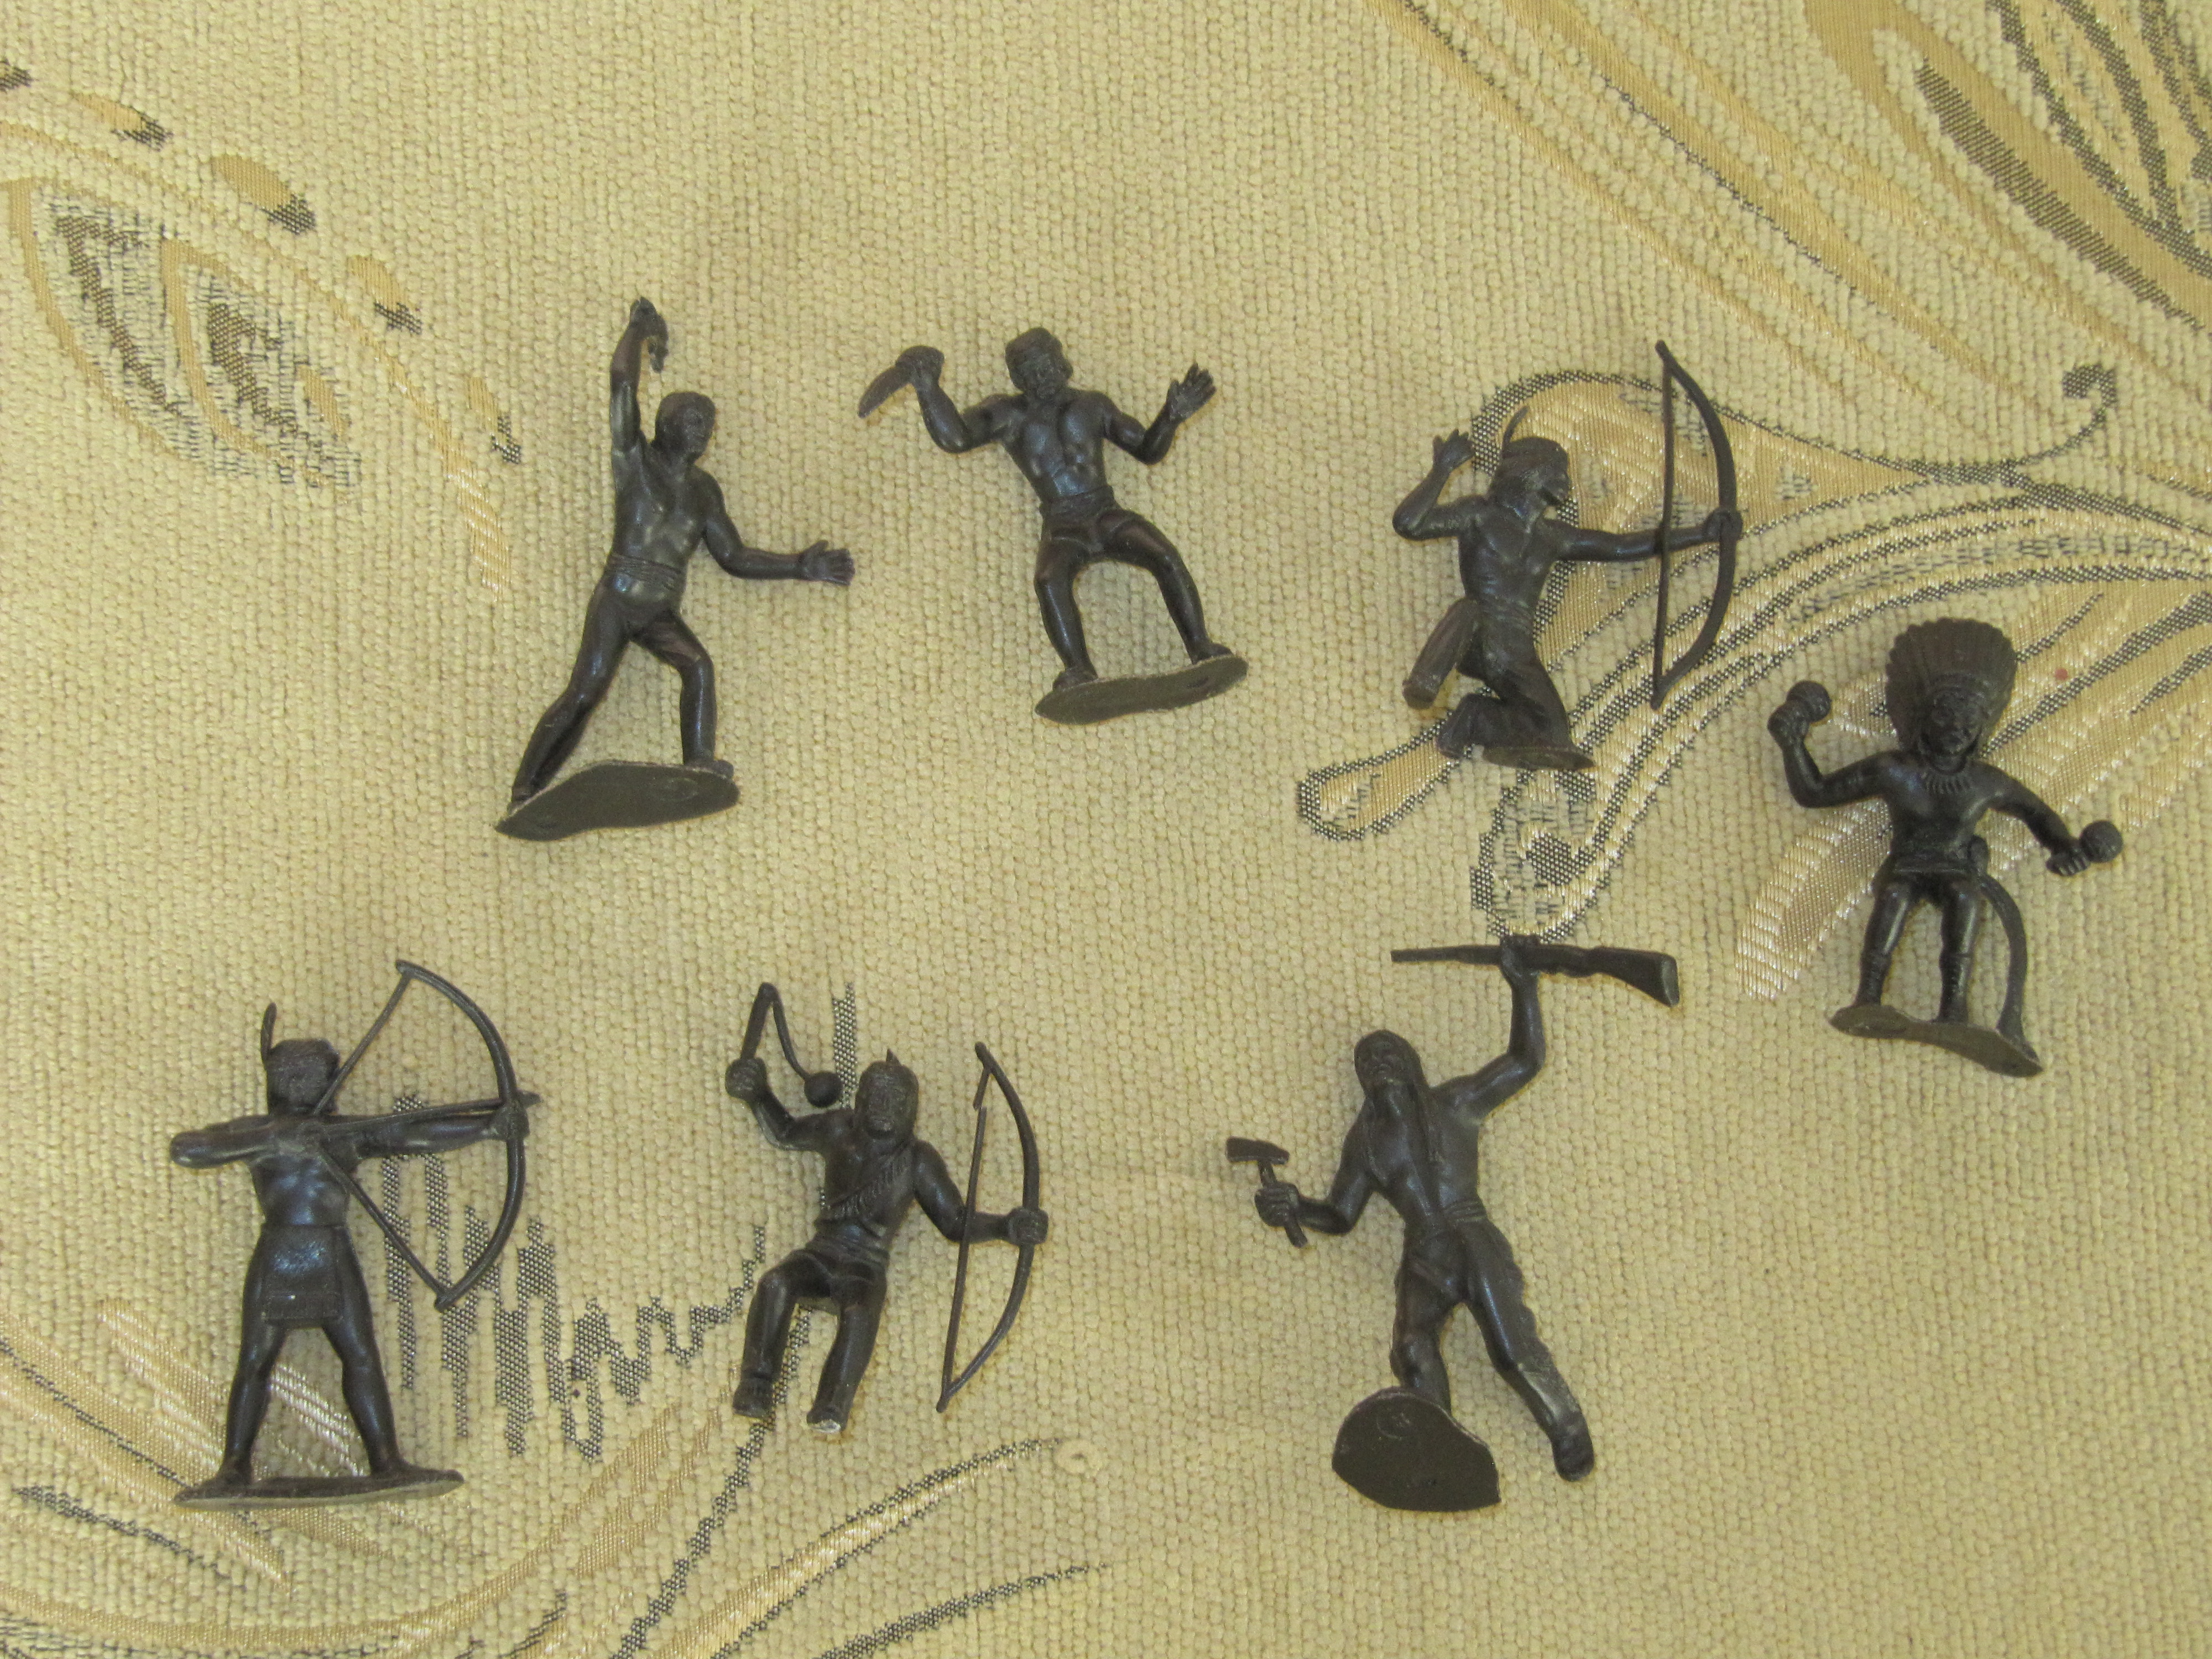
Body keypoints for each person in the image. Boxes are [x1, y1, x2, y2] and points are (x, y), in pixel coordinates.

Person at [1253, 939, 1593, 1480]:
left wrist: (1523, 986)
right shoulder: (1366, 1144)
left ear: (1411, 1063)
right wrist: (1295, 1205)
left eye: (1388, 1053)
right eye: (1367, 1060)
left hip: (1471, 1234)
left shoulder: (1454, 1104)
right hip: (1423, 1251)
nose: (1378, 1063)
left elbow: (1523, 1061)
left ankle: (1567, 1428)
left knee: (1510, 1349)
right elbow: (1340, 1216)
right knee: (1411, 1349)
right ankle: (1439, 1445)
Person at [510, 298, 852, 807]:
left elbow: (733, 556)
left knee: (698, 667)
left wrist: (800, 565)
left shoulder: (704, 491)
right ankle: (526, 788)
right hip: (619, 598)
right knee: (585, 692)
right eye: (692, 421)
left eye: (707, 424)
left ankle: (698, 762)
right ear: (664, 425)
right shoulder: (635, 461)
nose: (702, 431)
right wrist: (638, 332)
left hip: (660, 610)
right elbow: (621, 385)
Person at [169, 1018, 526, 1497]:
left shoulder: (341, 1133)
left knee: (360, 1356)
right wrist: (274, 1139)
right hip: (279, 1252)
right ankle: (232, 1469)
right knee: (255, 1360)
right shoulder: (256, 1131)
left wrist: (488, 1126)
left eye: (312, 1076)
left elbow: (410, 1134)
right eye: (291, 1076)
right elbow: (188, 1149)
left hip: (331, 1253)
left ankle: (387, 1462)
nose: (301, 1085)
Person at [1768, 618, 2106, 1059]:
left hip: (1957, 865)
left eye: (1969, 719)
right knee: (1894, 896)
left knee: (1965, 898)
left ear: (1982, 727)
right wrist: (1792, 745)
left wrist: (2065, 847)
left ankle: (1954, 1009)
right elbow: (1816, 792)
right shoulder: (1895, 770)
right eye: (1945, 714)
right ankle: (1868, 996)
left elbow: (2037, 813)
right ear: (1923, 719)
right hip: (1907, 864)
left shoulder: (1985, 782)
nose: (1956, 728)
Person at [872, 328, 1233, 692]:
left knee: (1165, 556)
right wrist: (928, 388)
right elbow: (957, 438)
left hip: (1107, 513)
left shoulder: (1093, 405)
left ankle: (1201, 647)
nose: (1040, 377)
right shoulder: (1007, 413)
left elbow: (1147, 450)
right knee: (1049, 580)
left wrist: (1171, 416)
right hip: (1063, 526)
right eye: (1028, 371)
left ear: (1063, 363)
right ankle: (1078, 671)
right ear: (1016, 378)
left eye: (1046, 366)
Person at [725, 1051, 1047, 1433]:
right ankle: (757, 1384)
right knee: (777, 1282)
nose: (885, 1107)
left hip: (865, 1266)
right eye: (876, 1097)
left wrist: (1007, 1227)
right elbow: (786, 1132)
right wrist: (758, 1094)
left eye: (896, 1100)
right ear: (860, 1100)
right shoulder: (838, 1129)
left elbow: (955, 1222)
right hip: (820, 1252)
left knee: (860, 1311)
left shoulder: (918, 1160)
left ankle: (833, 1404)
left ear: (911, 1110)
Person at [1394, 428, 1737, 767]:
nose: (1565, 481)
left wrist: (1701, 533)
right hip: (1474, 634)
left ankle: (1473, 720)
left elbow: (1620, 547)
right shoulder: (1480, 514)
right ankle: (1425, 680)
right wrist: (1442, 470)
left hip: (1515, 649)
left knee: (1552, 732)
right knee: (1470, 610)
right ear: (1529, 470)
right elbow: (1410, 524)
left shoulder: (1552, 537)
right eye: (1557, 471)